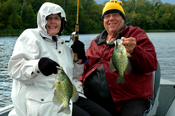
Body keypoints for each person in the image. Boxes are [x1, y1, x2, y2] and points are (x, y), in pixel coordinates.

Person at [8, 2, 111, 116]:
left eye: (56, 18)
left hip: (66, 95)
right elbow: (15, 69)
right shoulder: (30, 36)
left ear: (62, 21)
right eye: (49, 18)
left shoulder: (63, 45)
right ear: (42, 20)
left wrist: (79, 60)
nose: (53, 22)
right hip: (42, 101)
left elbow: (74, 76)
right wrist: (38, 65)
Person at [78, 0, 158, 116]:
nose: (111, 19)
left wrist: (135, 51)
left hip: (130, 99)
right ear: (103, 21)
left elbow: (151, 64)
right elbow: (84, 66)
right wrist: (80, 81)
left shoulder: (136, 34)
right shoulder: (96, 42)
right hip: (96, 97)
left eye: (115, 14)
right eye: (107, 16)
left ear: (123, 18)